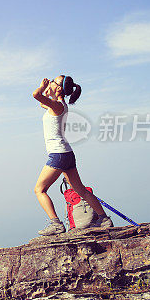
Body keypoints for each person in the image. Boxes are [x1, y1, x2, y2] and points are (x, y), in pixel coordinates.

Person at [32, 75, 112, 236]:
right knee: (80, 189)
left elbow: (36, 95)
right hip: (66, 153)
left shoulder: (56, 106)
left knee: (39, 190)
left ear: (59, 88)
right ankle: (104, 219)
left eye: (53, 82)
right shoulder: (58, 105)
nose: (50, 83)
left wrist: (42, 87)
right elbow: (42, 102)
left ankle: (55, 224)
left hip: (58, 155)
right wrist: (48, 91)